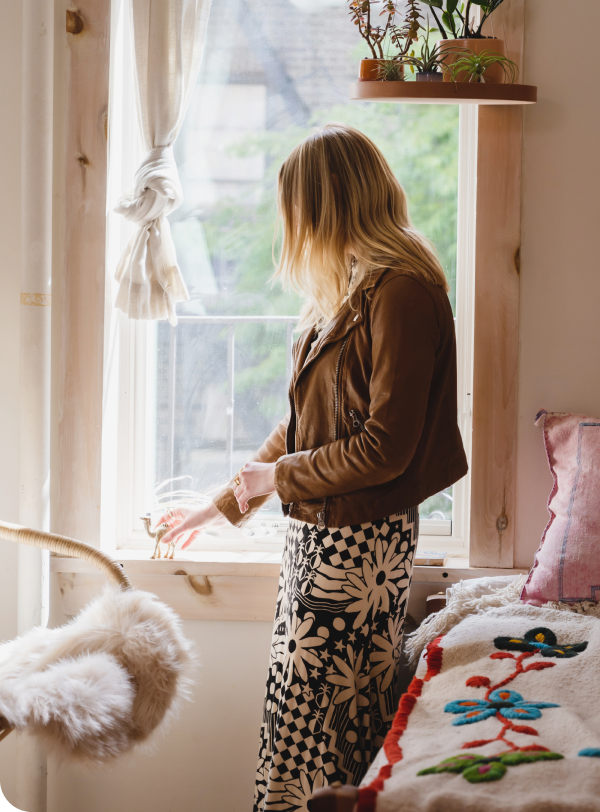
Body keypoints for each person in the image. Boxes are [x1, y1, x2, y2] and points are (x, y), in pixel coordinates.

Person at [162, 124, 468, 811]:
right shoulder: (352, 288)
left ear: (327, 204)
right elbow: (301, 428)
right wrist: (225, 502)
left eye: (295, 207)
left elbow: (385, 446)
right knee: (298, 725)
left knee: (326, 733)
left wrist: (279, 479)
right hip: (323, 539)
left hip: (358, 550)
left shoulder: (402, 293)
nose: (289, 224)